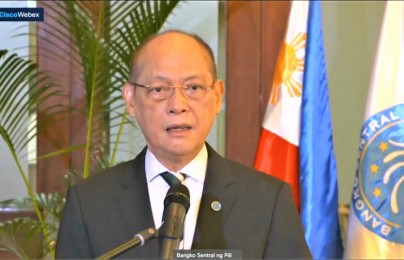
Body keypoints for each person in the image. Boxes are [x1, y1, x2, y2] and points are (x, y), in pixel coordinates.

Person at [55, 30, 312, 259]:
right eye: (158, 89)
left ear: (217, 96)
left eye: (194, 87)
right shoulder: (90, 203)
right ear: (131, 99)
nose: (178, 105)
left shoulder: (266, 202)